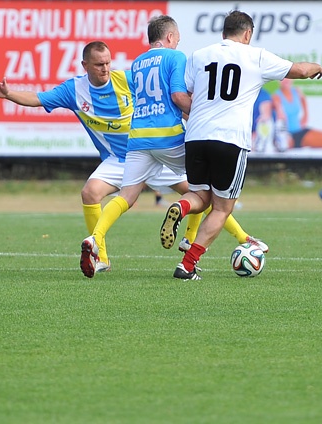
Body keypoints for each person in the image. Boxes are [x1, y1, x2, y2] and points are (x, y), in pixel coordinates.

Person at [80, 15, 264, 278]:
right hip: (168, 136)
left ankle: (95, 239)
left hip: (139, 138)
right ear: (169, 38)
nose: (179, 42)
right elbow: (178, 96)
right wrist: (203, 114)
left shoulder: (138, 61)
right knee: (204, 189)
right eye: (177, 38)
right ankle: (190, 239)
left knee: (125, 197)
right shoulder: (176, 58)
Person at [0, 41, 186, 274]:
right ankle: (100, 257)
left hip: (147, 152)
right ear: (85, 65)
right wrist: (9, 94)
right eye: (99, 64)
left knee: (198, 192)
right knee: (90, 192)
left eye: (108, 63)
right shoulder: (74, 90)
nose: (105, 68)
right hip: (117, 159)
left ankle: (229, 239)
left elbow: (161, 98)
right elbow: (38, 98)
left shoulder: (127, 79)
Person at [160, 10, 322, 280]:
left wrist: (203, 113)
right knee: (223, 208)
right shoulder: (256, 56)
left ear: (223, 32)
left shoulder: (200, 55)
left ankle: (181, 206)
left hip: (197, 137)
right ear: (247, 33)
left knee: (200, 197)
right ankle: (186, 265)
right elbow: (300, 70)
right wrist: (317, 68)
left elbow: (183, 95)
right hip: (230, 140)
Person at [272, 77, 322, 150]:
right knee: (284, 144)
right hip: (287, 136)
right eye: (283, 77)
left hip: (300, 132)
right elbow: (279, 117)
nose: (286, 80)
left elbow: (303, 100)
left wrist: (305, 116)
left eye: (289, 77)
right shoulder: (276, 97)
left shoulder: (296, 91)